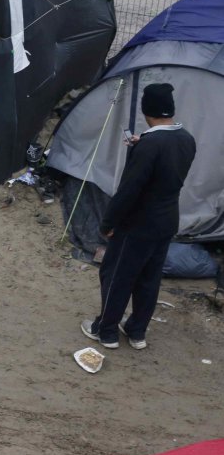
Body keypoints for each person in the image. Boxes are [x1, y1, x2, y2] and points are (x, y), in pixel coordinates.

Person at [81, 83, 196, 350]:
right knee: (149, 277)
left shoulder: (150, 145)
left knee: (117, 274)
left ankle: (105, 330)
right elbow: (164, 167)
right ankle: (136, 331)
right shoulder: (186, 139)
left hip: (138, 223)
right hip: (167, 220)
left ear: (148, 110)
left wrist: (109, 223)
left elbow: (129, 190)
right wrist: (140, 146)